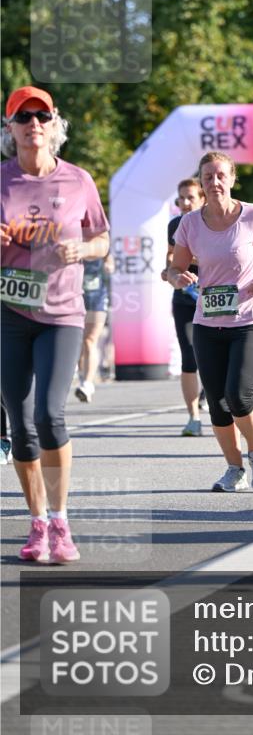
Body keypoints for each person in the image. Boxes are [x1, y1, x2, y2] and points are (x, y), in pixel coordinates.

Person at [1, 86, 109, 563]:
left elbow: (102, 239)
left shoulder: (78, 181)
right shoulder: (1, 181)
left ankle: (62, 522)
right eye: (22, 117)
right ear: (10, 129)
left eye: (41, 115)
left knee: (49, 414)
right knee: (19, 427)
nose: (33, 124)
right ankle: (37, 522)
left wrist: (81, 250)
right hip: (8, 312)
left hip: (61, 313)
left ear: (54, 124)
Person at [169, 152, 253, 491]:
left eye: (220, 175)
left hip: (252, 319)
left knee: (238, 394)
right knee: (217, 403)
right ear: (202, 182)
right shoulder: (189, 223)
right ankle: (234, 469)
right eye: (208, 177)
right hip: (208, 322)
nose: (214, 182)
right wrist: (178, 277)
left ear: (232, 178)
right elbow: (177, 266)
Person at [161, 178, 207, 436]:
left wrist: (192, 259)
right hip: (184, 298)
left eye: (190, 197)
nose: (185, 203)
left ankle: (212, 396)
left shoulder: (213, 222)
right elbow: (170, 255)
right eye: (181, 199)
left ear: (202, 198)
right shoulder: (175, 225)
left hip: (213, 298)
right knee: (189, 356)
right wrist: (170, 270)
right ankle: (193, 418)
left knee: (211, 357)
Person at [75, 252, 114, 403]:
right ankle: (81, 376)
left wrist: (109, 265)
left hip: (97, 296)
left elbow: (109, 259)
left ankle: (87, 383)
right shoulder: (68, 235)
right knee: (78, 340)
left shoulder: (99, 236)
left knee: (90, 339)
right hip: (74, 295)